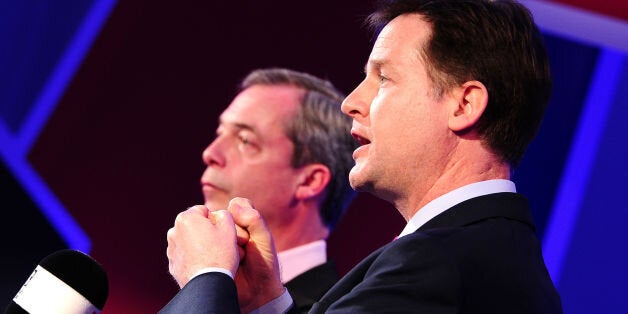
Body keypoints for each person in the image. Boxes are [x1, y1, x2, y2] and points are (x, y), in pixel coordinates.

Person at [162, 0, 563, 313]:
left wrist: (206, 277)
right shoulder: (479, 252)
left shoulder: (438, 266)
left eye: (384, 78)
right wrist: (269, 304)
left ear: (464, 104)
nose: (352, 102)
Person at [165, 68, 357, 312]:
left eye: (245, 140)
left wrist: (205, 279)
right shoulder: (216, 279)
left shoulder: (341, 307)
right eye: (219, 133)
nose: (210, 153)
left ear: (309, 181)